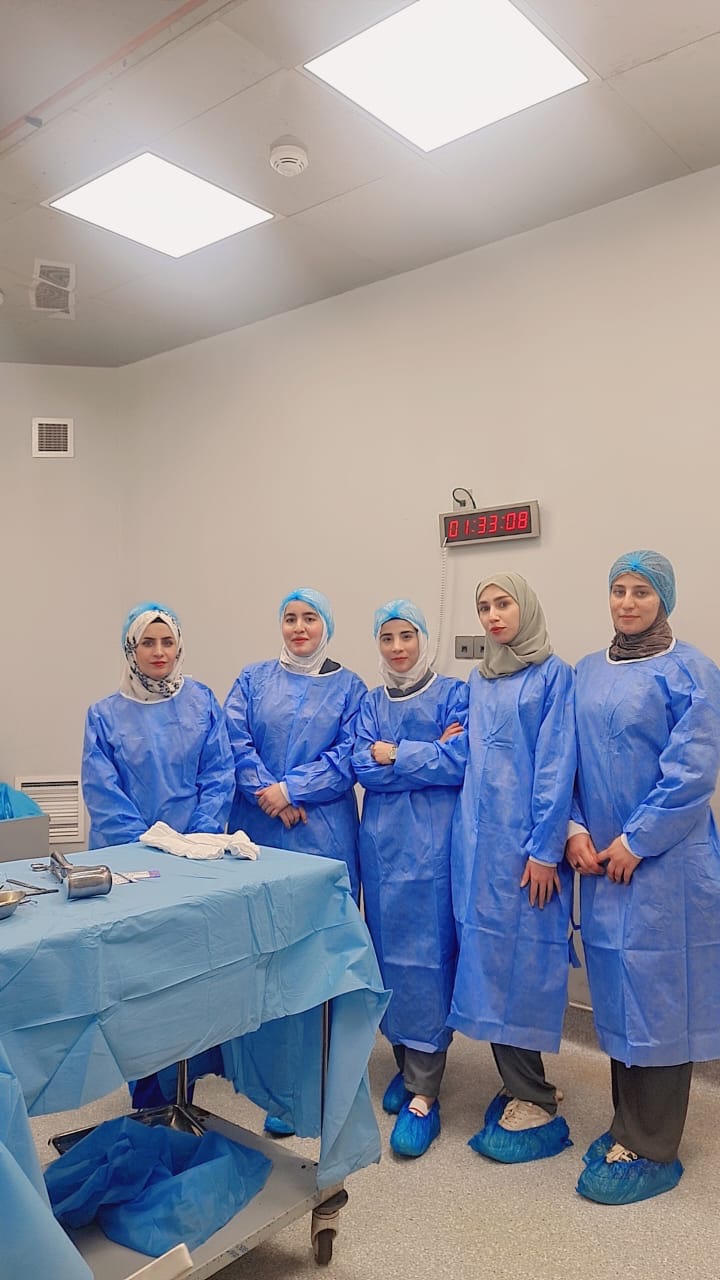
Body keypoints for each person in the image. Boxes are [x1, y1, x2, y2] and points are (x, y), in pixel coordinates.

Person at [569, 550, 720, 1205]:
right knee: (619, 994)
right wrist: (574, 829)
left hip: (667, 868)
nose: (627, 602)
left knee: (660, 999)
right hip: (603, 866)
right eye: (619, 591)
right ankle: (626, 1125)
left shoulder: (692, 671)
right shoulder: (586, 671)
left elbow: (692, 773)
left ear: (664, 599)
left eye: (642, 592)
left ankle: (655, 1148)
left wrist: (637, 840)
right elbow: (568, 762)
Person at [224, 587, 366, 1135]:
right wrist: (269, 792)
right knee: (265, 953)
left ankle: (321, 1077)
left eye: (310, 618)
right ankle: (269, 1079)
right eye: (290, 618)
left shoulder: (350, 688)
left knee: (318, 955)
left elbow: (349, 754)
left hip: (321, 836)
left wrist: (292, 789)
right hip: (259, 831)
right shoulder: (252, 680)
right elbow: (234, 741)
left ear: (326, 625)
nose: (299, 628)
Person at [82, 600, 235, 1105]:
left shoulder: (202, 702)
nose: (158, 651)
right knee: (135, 978)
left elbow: (218, 775)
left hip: (191, 860)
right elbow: (104, 795)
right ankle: (146, 1090)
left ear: (179, 646)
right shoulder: (104, 715)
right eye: (147, 642)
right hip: (130, 863)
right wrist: (153, 846)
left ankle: (181, 1080)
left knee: (185, 974)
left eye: (167, 641)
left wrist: (194, 841)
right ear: (131, 649)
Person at [449, 573, 575, 1163]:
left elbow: (556, 765)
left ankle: (534, 1096)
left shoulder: (554, 676)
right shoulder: (480, 678)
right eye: (484, 607)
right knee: (490, 961)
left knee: (525, 966)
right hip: (477, 845)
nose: (494, 615)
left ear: (526, 606)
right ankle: (524, 1082)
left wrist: (545, 849)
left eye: (503, 604)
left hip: (526, 850)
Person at [353, 600, 468, 1158]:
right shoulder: (370, 703)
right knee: (389, 956)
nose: (397, 648)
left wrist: (397, 754)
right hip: (382, 848)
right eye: (387, 638)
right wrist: (427, 755)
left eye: (407, 636)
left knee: (428, 958)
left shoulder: (454, 694)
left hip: (434, 850)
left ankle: (425, 1093)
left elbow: (460, 760)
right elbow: (361, 768)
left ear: (424, 639)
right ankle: (406, 1063)